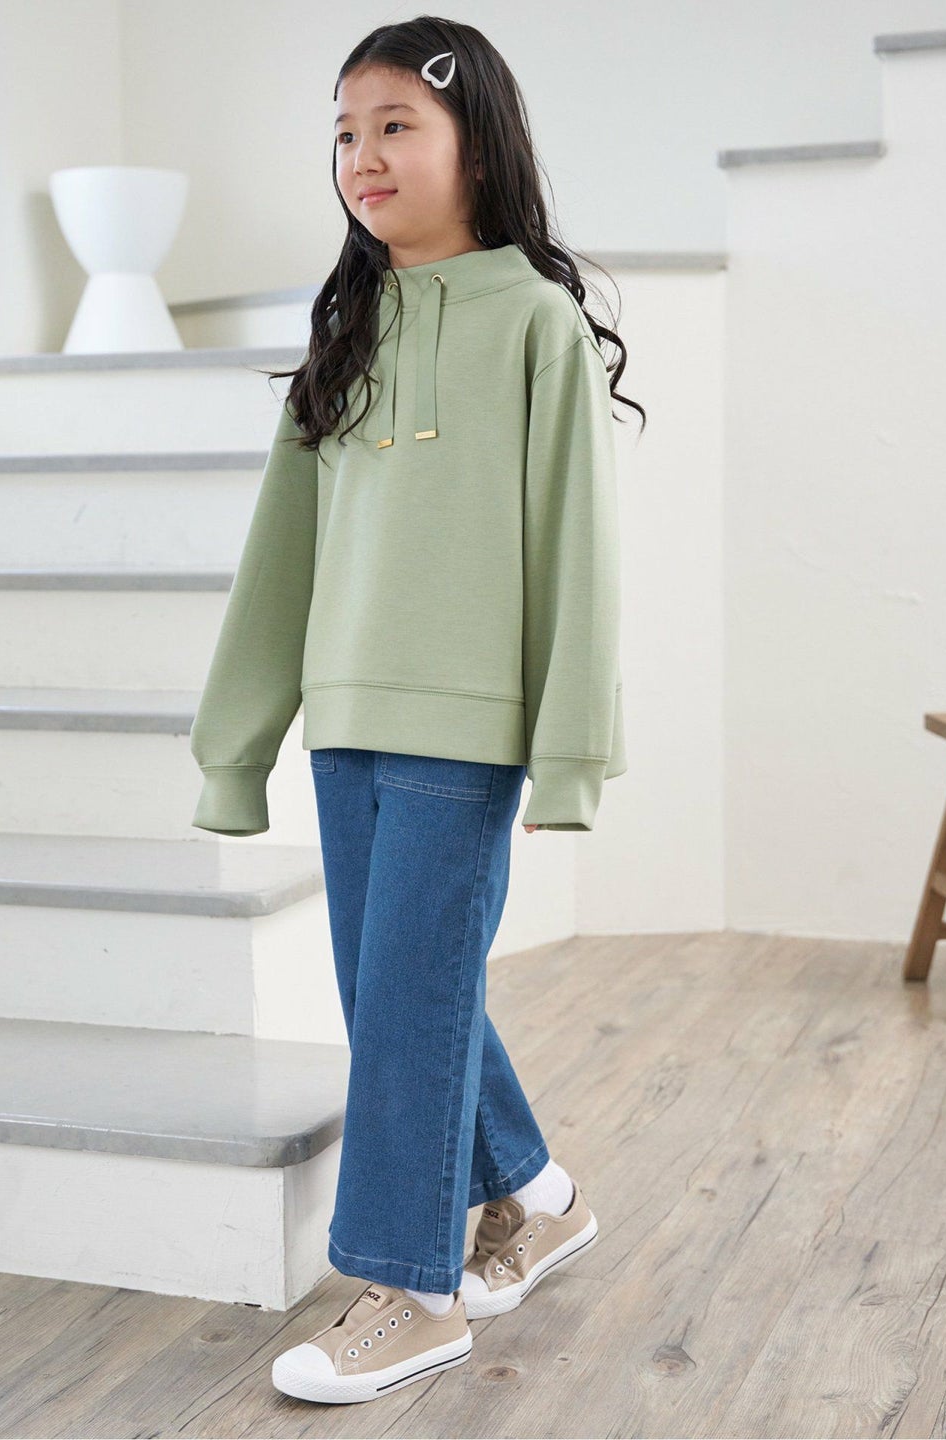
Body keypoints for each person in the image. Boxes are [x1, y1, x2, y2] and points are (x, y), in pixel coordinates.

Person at [188, 14, 644, 1407]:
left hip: (468, 726)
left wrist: (570, 749)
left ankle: (410, 1289)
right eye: (345, 132)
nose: (363, 155)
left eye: (397, 126)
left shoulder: (537, 324)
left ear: (476, 148)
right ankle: (540, 1195)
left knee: (404, 997)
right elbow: (282, 552)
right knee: (396, 990)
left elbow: (575, 545)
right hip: (346, 721)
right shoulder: (348, 327)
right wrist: (237, 744)